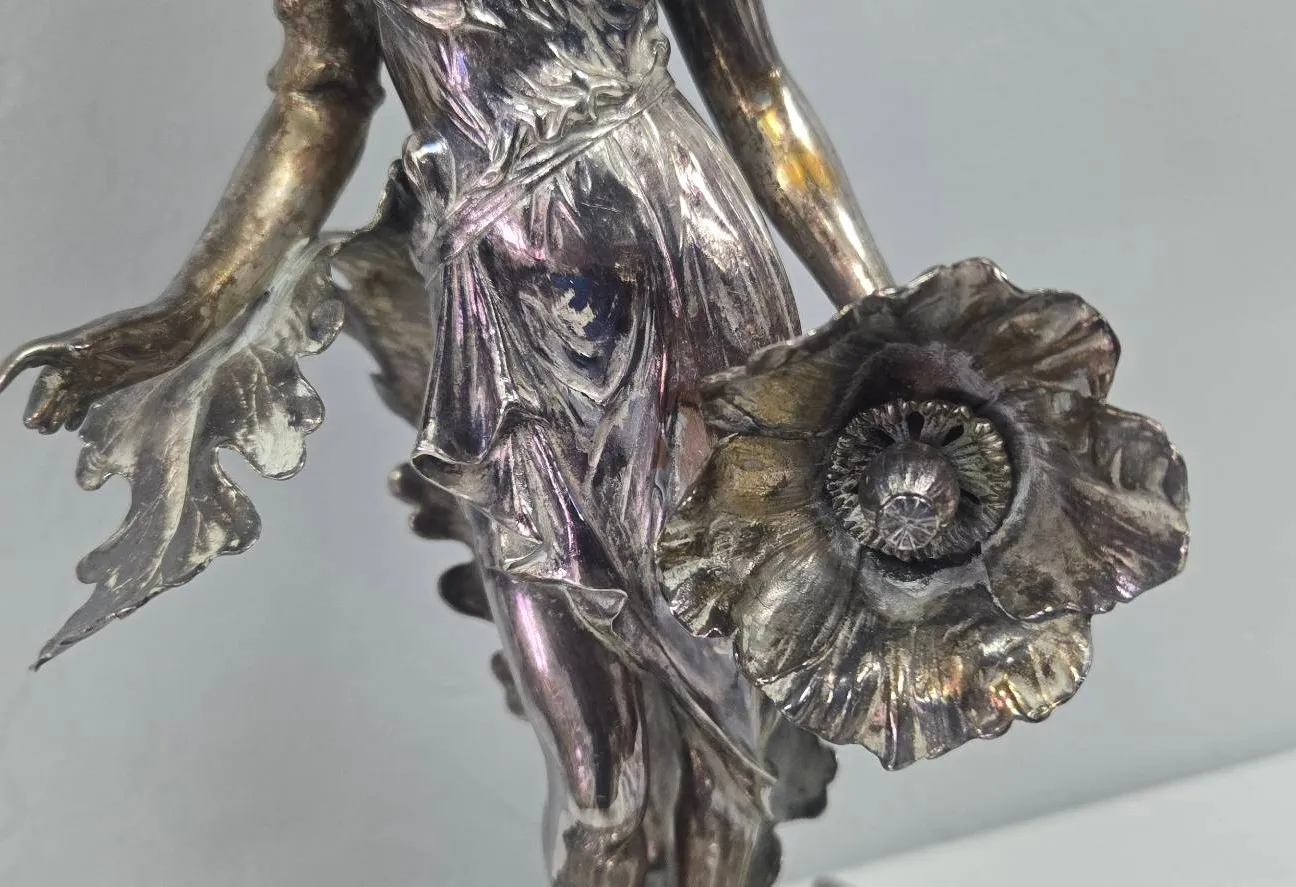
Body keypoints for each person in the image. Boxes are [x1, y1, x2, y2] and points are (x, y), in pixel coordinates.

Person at [0, 2, 891, 884]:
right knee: (599, 789)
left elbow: (755, 88)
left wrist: (892, 326)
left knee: (727, 733)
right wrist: (190, 308)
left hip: (684, 271)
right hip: (499, 327)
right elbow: (322, 94)